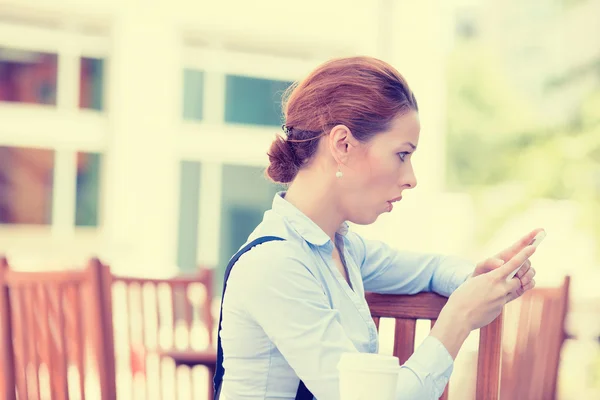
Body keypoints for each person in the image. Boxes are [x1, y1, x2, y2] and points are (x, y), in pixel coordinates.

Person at [215, 56, 538, 400]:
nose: (411, 179)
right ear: (343, 145)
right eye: (402, 154)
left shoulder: (343, 250)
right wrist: (459, 318)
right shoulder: (275, 264)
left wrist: (478, 279)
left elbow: (431, 270)